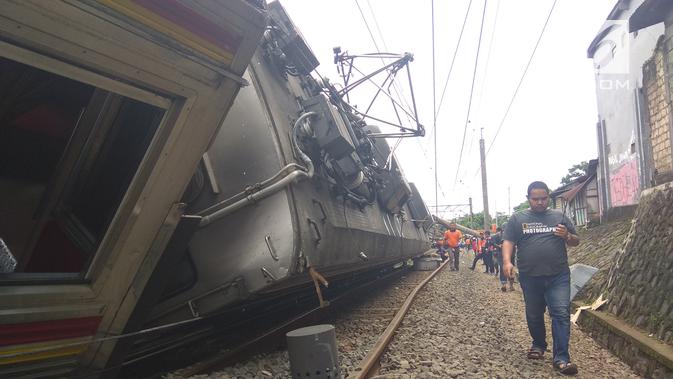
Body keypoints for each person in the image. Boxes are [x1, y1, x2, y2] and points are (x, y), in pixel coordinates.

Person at [502, 181, 580, 376]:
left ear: (548, 197)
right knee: (534, 314)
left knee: (561, 313)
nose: (540, 202)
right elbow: (508, 241)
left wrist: (567, 235)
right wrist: (506, 262)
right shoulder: (518, 219)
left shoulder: (559, 216)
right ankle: (538, 345)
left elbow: (576, 241)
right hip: (530, 276)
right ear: (528, 198)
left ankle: (561, 359)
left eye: (543, 198)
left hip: (558, 275)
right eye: (535, 199)